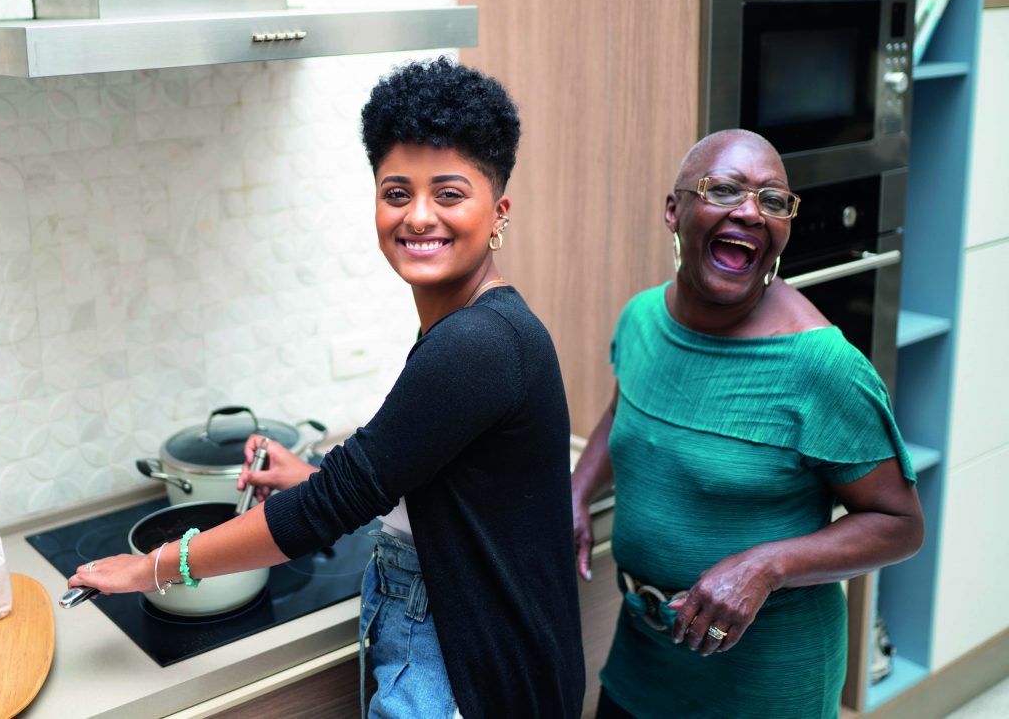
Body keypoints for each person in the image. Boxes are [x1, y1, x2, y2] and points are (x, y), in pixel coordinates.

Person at [69, 57, 586, 719]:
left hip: (463, 676)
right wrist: (310, 475)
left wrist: (154, 567)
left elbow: (333, 505)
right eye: (396, 193)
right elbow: (434, 489)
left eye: (449, 194)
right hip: (483, 656)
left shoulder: (476, 344)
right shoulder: (475, 325)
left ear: (498, 213)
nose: (418, 216)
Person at [570, 129, 924, 719]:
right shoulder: (641, 319)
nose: (751, 212)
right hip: (641, 662)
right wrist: (577, 491)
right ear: (673, 210)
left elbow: (900, 525)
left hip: (766, 686)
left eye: (773, 200)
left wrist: (765, 567)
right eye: (724, 189)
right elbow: (622, 414)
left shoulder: (823, 367)